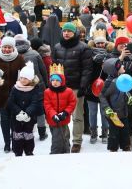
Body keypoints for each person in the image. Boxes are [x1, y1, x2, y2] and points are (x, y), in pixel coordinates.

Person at [51, 22, 93, 153]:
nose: (66, 33)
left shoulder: (83, 48)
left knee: (77, 116)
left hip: (76, 87)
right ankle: (65, 139)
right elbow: (53, 67)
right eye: (64, 31)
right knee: (62, 115)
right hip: (61, 87)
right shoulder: (57, 47)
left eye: (69, 31)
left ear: (74, 33)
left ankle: (77, 141)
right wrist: (53, 84)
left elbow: (87, 69)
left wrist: (83, 86)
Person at [108, 35, 132, 150]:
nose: (123, 47)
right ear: (116, 46)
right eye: (121, 45)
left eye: (125, 45)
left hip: (131, 91)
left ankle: (128, 142)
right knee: (116, 117)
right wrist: (121, 57)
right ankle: (115, 141)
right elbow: (111, 70)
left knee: (130, 116)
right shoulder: (111, 56)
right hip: (115, 92)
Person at [0, 36, 25, 153]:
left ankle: (15, 141)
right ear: (2, 47)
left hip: (16, 95)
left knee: (15, 119)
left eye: (9, 47)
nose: (7, 49)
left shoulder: (19, 58)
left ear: (13, 48)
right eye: (5, 47)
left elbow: (25, 73)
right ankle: (6, 143)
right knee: (4, 119)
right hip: (1, 95)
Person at [7, 62, 43, 156]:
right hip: (16, 117)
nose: (23, 80)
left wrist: (27, 113)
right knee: (17, 134)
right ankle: (17, 152)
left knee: (28, 134)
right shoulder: (15, 88)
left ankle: (29, 151)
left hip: (29, 118)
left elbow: (35, 103)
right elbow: (11, 102)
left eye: (25, 78)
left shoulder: (35, 89)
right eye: (21, 77)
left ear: (30, 79)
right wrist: (18, 112)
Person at [85, 29, 113, 144]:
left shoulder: (109, 55)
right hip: (92, 88)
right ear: (94, 43)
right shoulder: (89, 55)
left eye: (102, 43)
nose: (100, 45)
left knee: (104, 112)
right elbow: (87, 71)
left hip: (105, 88)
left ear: (105, 43)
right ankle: (93, 132)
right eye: (98, 43)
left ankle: (105, 133)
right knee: (92, 112)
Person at [99, 58, 131, 152]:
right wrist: (107, 108)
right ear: (115, 69)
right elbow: (102, 96)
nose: (123, 66)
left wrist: (129, 97)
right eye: (120, 65)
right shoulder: (110, 82)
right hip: (113, 114)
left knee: (125, 131)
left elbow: (125, 91)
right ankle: (113, 150)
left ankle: (126, 147)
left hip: (123, 111)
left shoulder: (123, 78)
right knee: (114, 133)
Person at [44, 64, 77, 154]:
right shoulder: (47, 92)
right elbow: (47, 105)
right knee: (57, 138)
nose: (55, 82)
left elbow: (72, 103)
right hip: (53, 120)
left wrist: (65, 113)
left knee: (64, 137)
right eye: (53, 80)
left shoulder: (68, 91)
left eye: (57, 80)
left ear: (62, 81)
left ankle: (63, 152)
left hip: (64, 119)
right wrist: (53, 114)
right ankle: (57, 153)